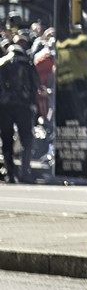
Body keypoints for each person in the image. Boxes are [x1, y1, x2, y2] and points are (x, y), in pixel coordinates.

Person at [0, 34, 40, 183]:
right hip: (23, 106)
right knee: (26, 139)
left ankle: (10, 173)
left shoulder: (1, 63)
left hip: (4, 107)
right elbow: (36, 86)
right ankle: (25, 171)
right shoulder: (27, 63)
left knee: (6, 140)